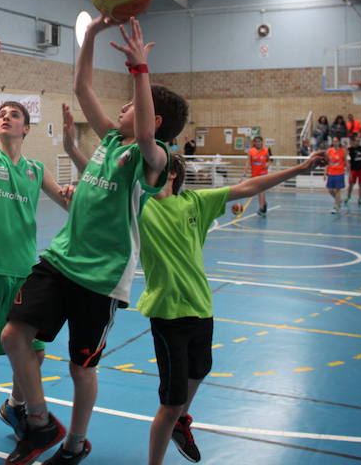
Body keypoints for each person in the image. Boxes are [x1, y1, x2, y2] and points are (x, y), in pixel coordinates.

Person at [62, 114, 326, 465]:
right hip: (167, 312)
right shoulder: (139, 207)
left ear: (171, 173)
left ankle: (181, 421)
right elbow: (102, 179)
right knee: (169, 404)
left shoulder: (196, 204)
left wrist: (299, 169)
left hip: (202, 307)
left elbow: (249, 187)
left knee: (200, 371)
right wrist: (73, 151)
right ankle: (162, 446)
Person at [0, 15, 187, 465]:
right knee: (12, 335)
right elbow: (82, 88)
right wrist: (88, 36)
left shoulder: (153, 157)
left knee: (81, 366)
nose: (120, 108)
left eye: (128, 104)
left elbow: (144, 131)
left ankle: (75, 442)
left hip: (101, 278)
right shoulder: (107, 140)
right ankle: (42, 423)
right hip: (62, 260)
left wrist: (140, 70)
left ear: (152, 117)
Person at [0, 39, 72, 464]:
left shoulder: (36, 169)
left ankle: (16, 405)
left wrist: (78, 190)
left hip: (25, 269)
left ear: (26, 128)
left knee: (35, 351)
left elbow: (67, 202)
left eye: (15, 115)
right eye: (2, 113)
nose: (6, 117)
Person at [244, 135, 270, 216]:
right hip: (255, 174)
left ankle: (261, 208)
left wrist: (267, 164)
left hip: (263, 173)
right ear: (254, 143)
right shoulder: (251, 151)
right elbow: (248, 162)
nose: (258, 143)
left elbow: (269, 160)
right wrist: (244, 172)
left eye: (259, 141)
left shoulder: (265, 150)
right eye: (256, 141)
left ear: (262, 142)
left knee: (261, 190)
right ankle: (264, 204)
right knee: (259, 191)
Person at [324, 136, 347, 214]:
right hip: (331, 173)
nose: (335, 143)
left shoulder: (342, 151)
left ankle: (336, 206)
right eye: (333, 141)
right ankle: (338, 200)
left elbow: (346, 162)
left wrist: (349, 172)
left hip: (340, 173)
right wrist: (325, 173)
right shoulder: (329, 151)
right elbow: (326, 162)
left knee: (337, 190)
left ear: (339, 142)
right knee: (330, 190)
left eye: (336, 141)